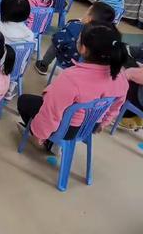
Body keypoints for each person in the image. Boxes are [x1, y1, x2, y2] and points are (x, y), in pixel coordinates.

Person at [17, 22, 129, 150]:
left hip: (66, 130)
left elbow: (51, 111)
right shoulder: (120, 76)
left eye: (79, 37)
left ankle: (48, 141)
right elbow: (116, 105)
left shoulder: (71, 77)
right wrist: (104, 122)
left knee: (24, 101)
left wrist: (39, 133)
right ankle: (51, 141)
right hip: (90, 127)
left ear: (84, 49)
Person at [35, 1, 115, 75]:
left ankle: (43, 64)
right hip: (89, 70)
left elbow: (58, 40)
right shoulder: (109, 38)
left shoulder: (74, 27)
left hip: (69, 61)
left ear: (89, 19)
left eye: (87, 12)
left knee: (55, 43)